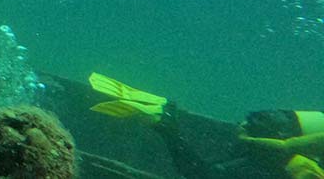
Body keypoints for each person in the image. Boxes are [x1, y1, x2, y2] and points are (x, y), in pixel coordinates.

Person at [88, 72, 324, 178]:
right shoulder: (276, 163)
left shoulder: (278, 168)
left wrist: (169, 131)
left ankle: (165, 118)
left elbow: (201, 173)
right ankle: (165, 117)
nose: (243, 125)